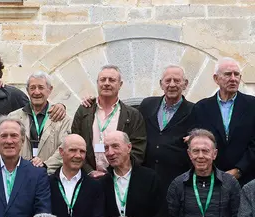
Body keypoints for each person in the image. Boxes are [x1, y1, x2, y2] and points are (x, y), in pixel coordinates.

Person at [71, 65, 147, 177]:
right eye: (103, 80)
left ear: (120, 85)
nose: (106, 83)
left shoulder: (132, 115)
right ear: (97, 83)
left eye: (112, 80)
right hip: (88, 179)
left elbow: (138, 150)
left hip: (119, 179)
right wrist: (89, 171)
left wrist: (115, 172)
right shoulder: (84, 111)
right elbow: (74, 143)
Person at [100, 130, 167, 217]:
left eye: (115, 146)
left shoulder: (150, 178)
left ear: (129, 147)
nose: (110, 152)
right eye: (106, 148)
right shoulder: (102, 184)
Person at [193, 57, 255, 185]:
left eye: (236, 74)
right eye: (228, 74)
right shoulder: (201, 107)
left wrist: (239, 170)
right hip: (211, 180)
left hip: (247, 180)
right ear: (216, 79)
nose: (233, 78)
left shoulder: (252, 105)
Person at [138, 65, 196, 194]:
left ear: (185, 84)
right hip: (146, 177)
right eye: (168, 80)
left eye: (177, 80)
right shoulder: (147, 105)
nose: (172, 84)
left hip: (176, 180)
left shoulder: (194, 110)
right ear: (161, 84)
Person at [49, 134, 104, 217]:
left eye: (82, 151)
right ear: (61, 152)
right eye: (73, 150)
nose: (78, 155)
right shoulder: (47, 184)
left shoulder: (95, 186)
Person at [8, 71, 69, 173]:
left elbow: (65, 147)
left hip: (49, 176)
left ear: (50, 90)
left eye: (41, 87)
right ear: (27, 90)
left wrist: (45, 165)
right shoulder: (13, 117)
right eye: (32, 88)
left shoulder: (63, 119)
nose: (36, 92)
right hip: (20, 174)